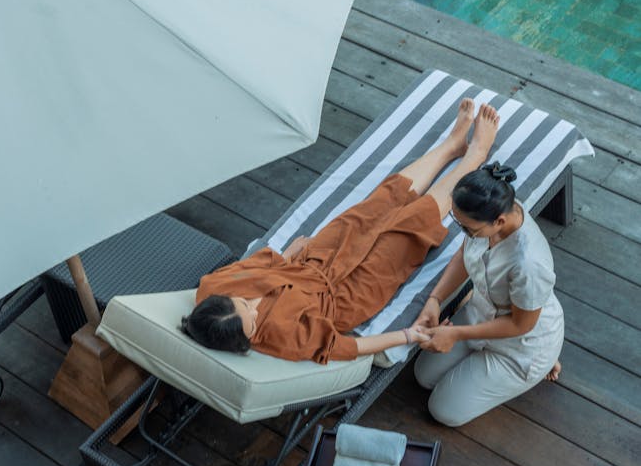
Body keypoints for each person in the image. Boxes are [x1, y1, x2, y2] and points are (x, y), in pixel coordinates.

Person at [181, 98, 500, 364]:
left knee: (380, 201)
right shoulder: (281, 338)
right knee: (410, 226)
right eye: (252, 317)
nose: (254, 305)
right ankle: (475, 155)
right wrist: (405, 336)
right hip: (349, 295)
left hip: (311, 261)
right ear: (245, 341)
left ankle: (450, 146)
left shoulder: (213, 286)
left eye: (243, 301)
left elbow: (255, 266)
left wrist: (289, 255)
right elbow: (347, 347)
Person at [412, 161, 564, 427]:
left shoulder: (529, 264)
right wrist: (434, 300)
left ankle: (545, 361)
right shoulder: (491, 216)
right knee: (423, 377)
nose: (465, 232)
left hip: (521, 346)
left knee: (443, 410)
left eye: (468, 228)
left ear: (500, 221)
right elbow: (464, 254)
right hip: (480, 316)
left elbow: (521, 324)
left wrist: (455, 334)